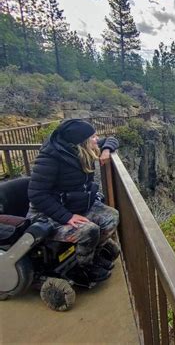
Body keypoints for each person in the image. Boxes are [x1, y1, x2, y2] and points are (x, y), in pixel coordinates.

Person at [27, 119, 120, 282]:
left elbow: (112, 139)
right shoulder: (50, 158)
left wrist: (106, 149)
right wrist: (67, 217)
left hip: (74, 206)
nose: (96, 139)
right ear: (81, 142)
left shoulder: (80, 148)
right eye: (93, 137)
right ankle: (81, 268)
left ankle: (92, 256)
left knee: (111, 217)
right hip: (47, 215)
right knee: (88, 230)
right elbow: (37, 194)